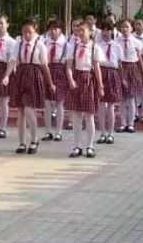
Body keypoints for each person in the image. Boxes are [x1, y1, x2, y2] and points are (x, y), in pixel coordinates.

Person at [2, 19, 53, 155]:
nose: (27, 35)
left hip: (34, 76)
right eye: (24, 31)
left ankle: (34, 140)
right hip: (20, 75)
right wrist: (7, 75)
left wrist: (50, 82)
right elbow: (13, 61)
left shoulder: (40, 45)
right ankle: (21, 142)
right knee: (20, 111)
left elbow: (44, 65)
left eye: (29, 32)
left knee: (30, 110)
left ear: (35, 30)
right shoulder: (18, 45)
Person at [65, 20, 102, 159]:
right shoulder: (73, 47)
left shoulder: (95, 48)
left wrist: (100, 85)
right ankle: (76, 146)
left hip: (89, 80)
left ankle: (90, 146)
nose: (80, 33)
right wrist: (71, 79)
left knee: (89, 115)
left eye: (83, 31)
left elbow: (97, 68)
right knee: (76, 116)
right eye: (78, 31)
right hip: (77, 77)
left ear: (89, 32)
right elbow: (68, 66)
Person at [41, 18, 68, 143]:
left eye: (56, 28)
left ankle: (59, 131)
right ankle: (48, 131)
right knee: (47, 102)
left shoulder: (66, 44)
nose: (53, 31)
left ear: (60, 30)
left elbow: (68, 62)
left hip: (60, 70)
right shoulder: (44, 42)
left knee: (59, 102)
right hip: (47, 69)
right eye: (51, 29)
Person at [117, 19, 143, 133]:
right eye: (123, 27)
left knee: (131, 98)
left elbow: (139, 59)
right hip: (121, 68)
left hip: (132, 68)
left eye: (127, 27)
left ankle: (131, 124)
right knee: (122, 99)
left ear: (131, 29)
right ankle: (123, 123)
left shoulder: (136, 42)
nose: (124, 29)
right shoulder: (117, 41)